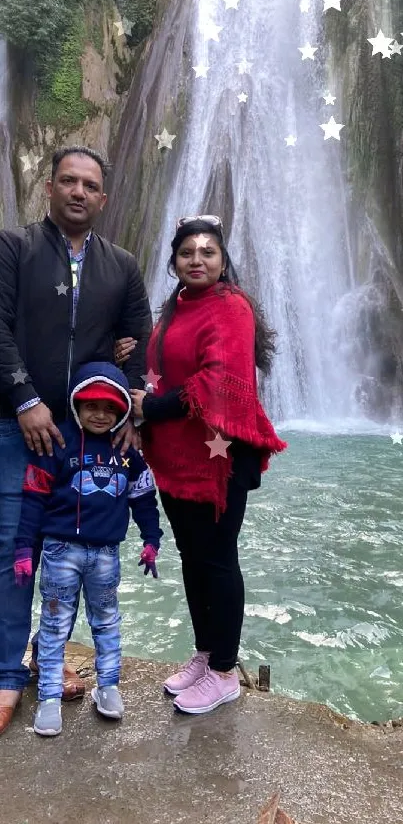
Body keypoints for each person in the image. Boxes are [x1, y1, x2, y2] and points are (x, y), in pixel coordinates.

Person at [0, 146, 152, 733]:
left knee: (68, 550)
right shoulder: (13, 248)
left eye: (90, 185)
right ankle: (8, 674)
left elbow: (136, 342)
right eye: (69, 181)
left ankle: (45, 658)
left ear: (103, 198)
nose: (79, 192)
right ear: (50, 187)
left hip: (88, 439)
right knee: (17, 553)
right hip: (17, 428)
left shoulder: (122, 266)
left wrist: (131, 414)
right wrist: (25, 399)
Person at [131, 215, 287, 716]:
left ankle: (225, 672)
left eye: (208, 252)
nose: (197, 260)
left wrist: (148, 409)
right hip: (178, 456)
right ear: (174, 261)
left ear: (223, 261)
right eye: (187, 253)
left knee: (217, 559)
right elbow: (163, 370)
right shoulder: (175, 307)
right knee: (194, 558)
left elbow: (217, 380)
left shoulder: (231, 307)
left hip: (220, 458)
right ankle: (205, 653)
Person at [13, 361, 162, 736]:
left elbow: (143, 498)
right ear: (76, 405)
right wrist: (23, 549)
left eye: (110, 408)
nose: (100, 414)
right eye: (91, 406)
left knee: (107, 621)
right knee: (54, 623)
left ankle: (108, 685)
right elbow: (33, 499)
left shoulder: (127, 451)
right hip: (61, 551)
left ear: (122, 412)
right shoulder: (58, 443)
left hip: (106, 555)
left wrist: (151, 539)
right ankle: (48, 697)